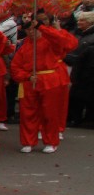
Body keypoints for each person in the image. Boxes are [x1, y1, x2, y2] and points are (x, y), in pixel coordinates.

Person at [11, 16, 78, 153]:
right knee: (28, 114)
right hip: (30, 81)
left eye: (34, 29)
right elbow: (15, 67)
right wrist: (27, 76)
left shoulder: (51, 41)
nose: (31, 32)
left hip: (50, 80)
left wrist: (42, 27)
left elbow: (68, 42)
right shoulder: (24, 46)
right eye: (28, 30)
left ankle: (51, 141)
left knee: (50, 113)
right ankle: (28, 141)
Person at [66, 10, 94, 127]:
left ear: (90, 22)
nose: (79, 22)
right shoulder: (79, 34)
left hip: (85, 71)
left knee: (80, 97)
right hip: (77, 68)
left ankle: (81, 119)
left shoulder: (89, 38)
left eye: (82, 20)